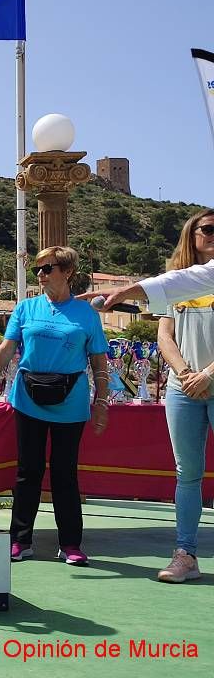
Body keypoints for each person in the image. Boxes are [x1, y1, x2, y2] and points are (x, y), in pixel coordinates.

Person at [0, 246, 108, 565]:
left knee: (64, 473)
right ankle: (20, 541)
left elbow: (99, 360)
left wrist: (101, 400)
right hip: (28, 398)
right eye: (38, 270)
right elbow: (6, 348)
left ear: (68, 272)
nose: (41, 275)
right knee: (27, 472)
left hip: (71, 402)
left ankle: (70, 543)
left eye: (48, 268)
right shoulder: (26, 308)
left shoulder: (86, 314)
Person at [152, 209, 214, 583]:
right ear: (192, 235)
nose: (213, 235)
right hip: (184, 390)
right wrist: (185, 373)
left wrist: (206, 374)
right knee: (187, 474)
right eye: (207, 229)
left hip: (206, 381)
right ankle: (185, 555)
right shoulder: (175, 282)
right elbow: (164, 335)